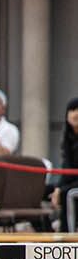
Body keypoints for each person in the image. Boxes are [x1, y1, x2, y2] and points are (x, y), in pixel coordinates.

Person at [53, 96, 78, 229]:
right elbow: (66, 168)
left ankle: (67, 231)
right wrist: (58, 187)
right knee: (46, 190)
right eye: (72, 110)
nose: (76, 114)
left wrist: (61, 189)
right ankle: (45, 228)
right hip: (72, 179)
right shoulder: (67, 139)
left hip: (74, 181)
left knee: (65, 192)